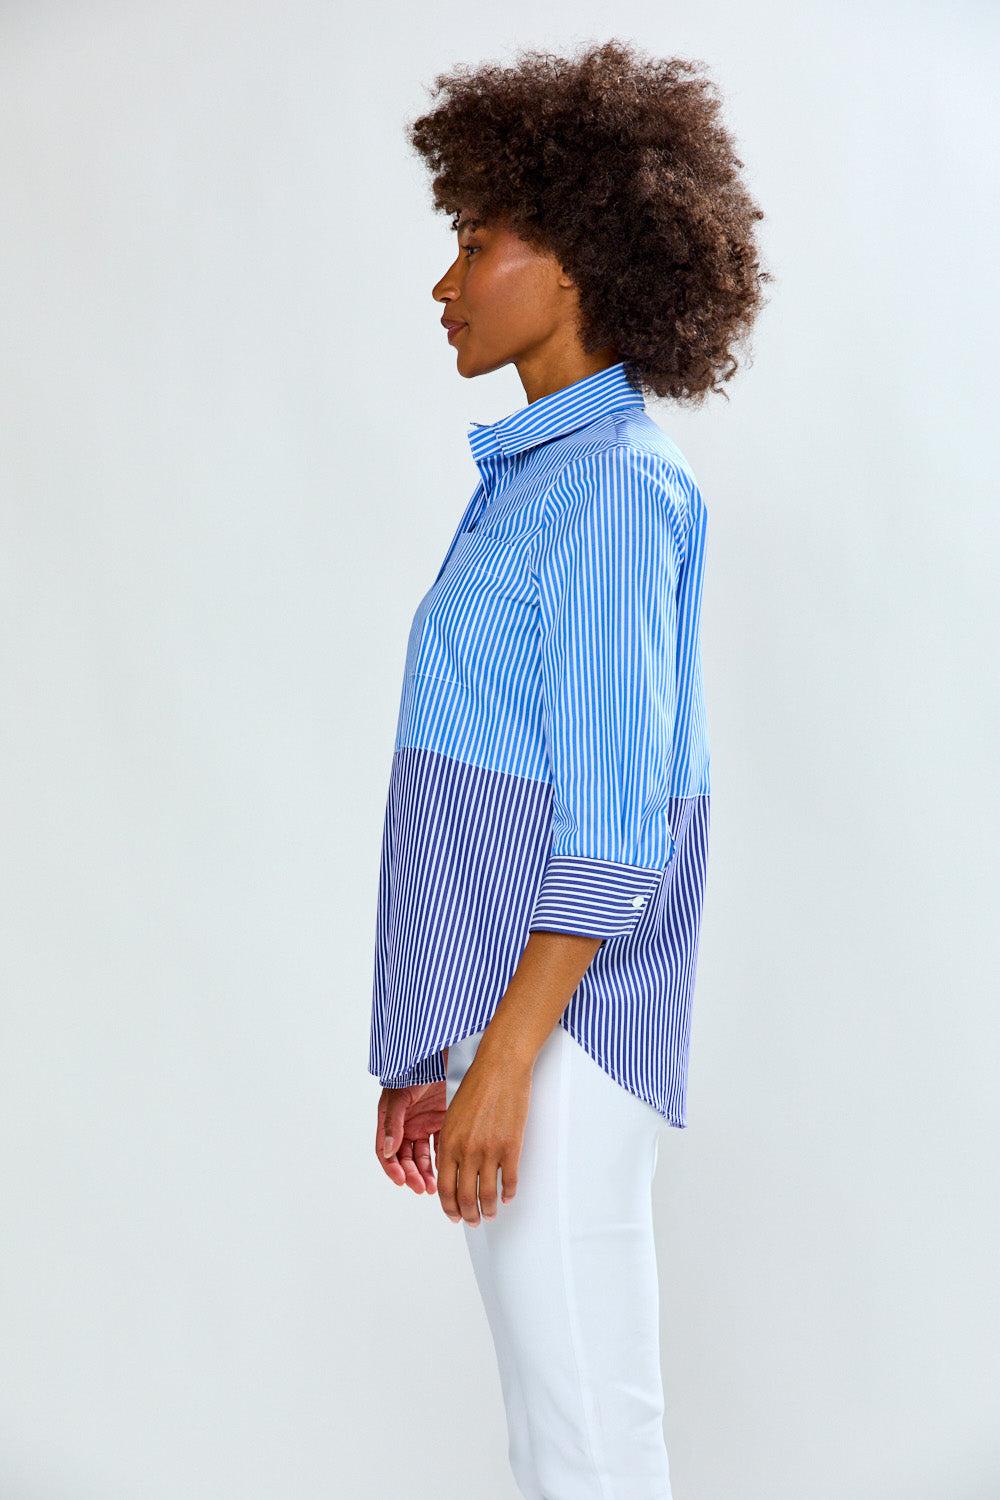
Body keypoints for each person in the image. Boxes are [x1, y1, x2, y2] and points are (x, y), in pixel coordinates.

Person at [368, 37, 768, 1500]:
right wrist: (443, 1050)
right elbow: (485, 793)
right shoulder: (538, 482)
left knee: (586, 1443)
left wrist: (510, 1062)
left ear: (583, 252)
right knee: (570, 1433)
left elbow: (617, 826)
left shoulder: (606, 493)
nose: (447, 281)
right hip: (522, 1031)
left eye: (477, 241)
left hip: (569, 1041)